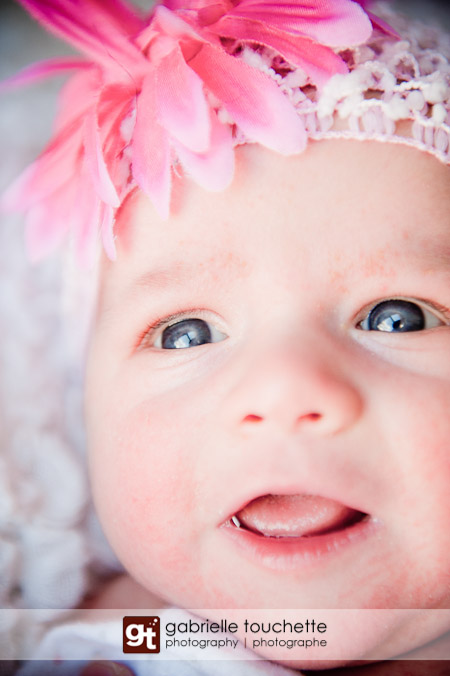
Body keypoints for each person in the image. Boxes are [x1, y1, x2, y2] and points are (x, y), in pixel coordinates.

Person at [2, 0, 450, 674]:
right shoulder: (134, 639)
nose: (284, 389)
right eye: (185, 334)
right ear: (83, 415)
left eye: (398, 317)